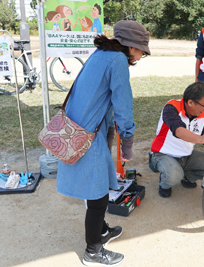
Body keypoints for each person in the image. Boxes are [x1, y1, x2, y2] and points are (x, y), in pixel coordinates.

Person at [56, 20, 150, 266]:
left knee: (97, 185)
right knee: (97, 195)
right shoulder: (118, 61)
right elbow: (123, 105)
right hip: (87, 136)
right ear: (130, 46)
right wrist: (127, 141)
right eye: (142, 49)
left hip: (77, 130)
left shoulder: (101, 53)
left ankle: (103, 231)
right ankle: (93, 251)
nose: (142, 54)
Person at [149, 82, 204, 198]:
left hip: (186, 156)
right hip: (163, 154)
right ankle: (165, 183)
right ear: (190, 102)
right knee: (174, 174)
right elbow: (178, 131)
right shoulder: (171, 107)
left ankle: (187, 176)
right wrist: (201, 139)